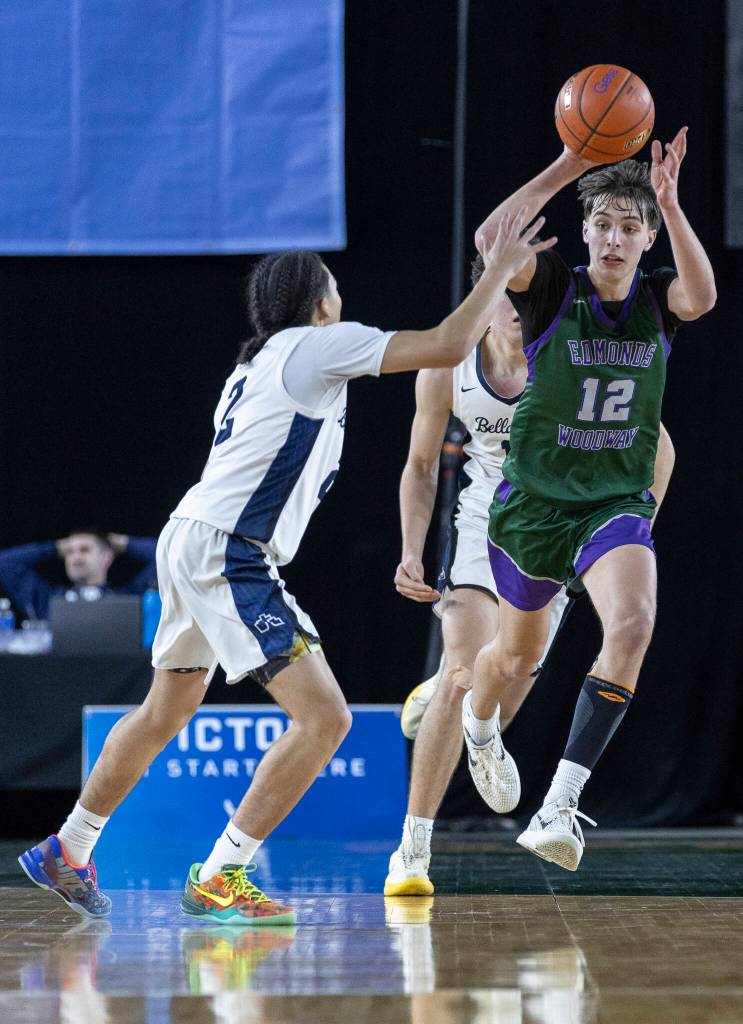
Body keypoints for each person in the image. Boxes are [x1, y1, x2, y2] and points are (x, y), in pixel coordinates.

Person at [19, 210, 556, 924]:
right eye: (335, 287)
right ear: (319, 300)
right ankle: (221, 873)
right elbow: (448, 344)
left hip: (188, 538)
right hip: (228, 551)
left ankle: (71, 845)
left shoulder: (258, 362)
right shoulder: (318, 344)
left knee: (165, 710)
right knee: (324, 718)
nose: (343, 299)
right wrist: (500, 270)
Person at [460, 129, 715, 872]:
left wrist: (669, 200)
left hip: (613, 502)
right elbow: (489, 240)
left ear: (645, 238)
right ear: (584, 230)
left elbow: (700, 297)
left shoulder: (657, 298)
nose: (612, 237)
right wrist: (572, 162)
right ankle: (479, 725)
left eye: (629, 226)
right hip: (534, 506)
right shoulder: (551, 291)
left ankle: (559, 805)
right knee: (513, 659)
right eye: (601, 223)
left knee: (633, 621)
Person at [384, 257, 676, 895]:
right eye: (505, 299)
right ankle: (411, 851)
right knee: (466, 663)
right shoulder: (449, 364)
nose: (518, 310)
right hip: (485, 517)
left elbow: (655, 441)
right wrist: (411, 549)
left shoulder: (568, 346)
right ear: (483, 301)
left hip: (561, 514)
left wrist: (633, 517)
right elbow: (420, 463)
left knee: (514, 668)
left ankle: (479, 726)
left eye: (525, 298)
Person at [0, 531, 157, 621]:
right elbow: (5, 563)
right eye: (69, 552)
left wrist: (125, 543)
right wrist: (53, 548)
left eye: (85, 550)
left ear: (106, 557)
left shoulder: (131, 597)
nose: (76, 557)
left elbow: (168, 559)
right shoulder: (47, 600)